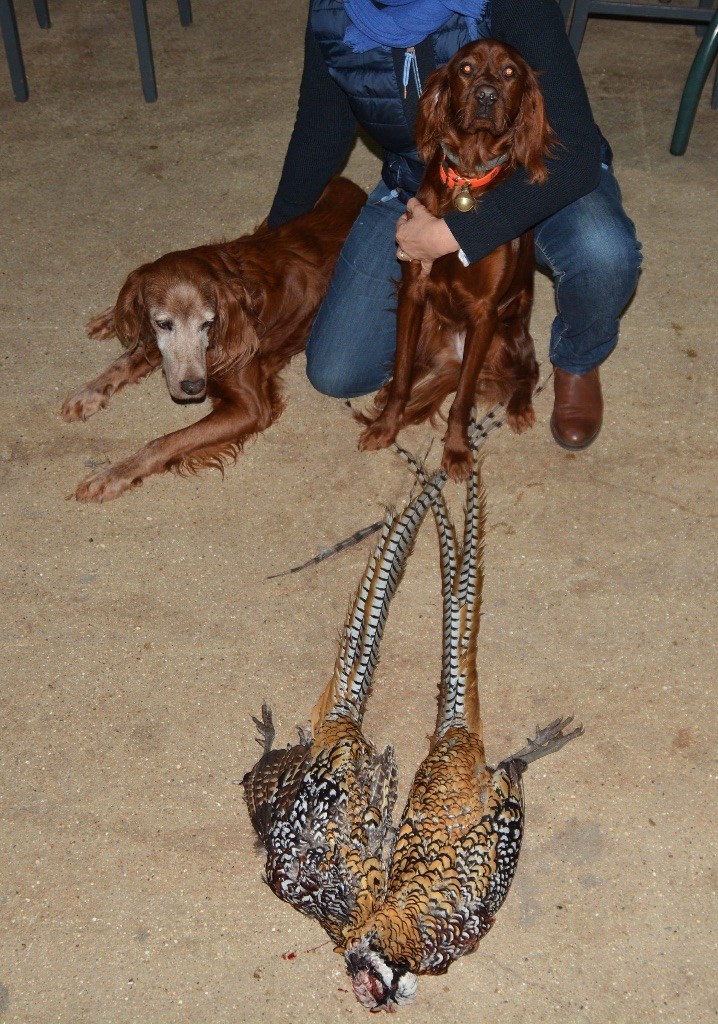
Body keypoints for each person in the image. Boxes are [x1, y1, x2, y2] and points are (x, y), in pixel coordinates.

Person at [267, 0, 642, 450]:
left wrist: (452, 236)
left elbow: (576, 150)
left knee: (603, 251)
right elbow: (319, 131)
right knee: (336, 370)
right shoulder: (335, 10)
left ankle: (579, 358)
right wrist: (273, 241)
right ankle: (444, 347)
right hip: (422, 180)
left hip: (539, 171)